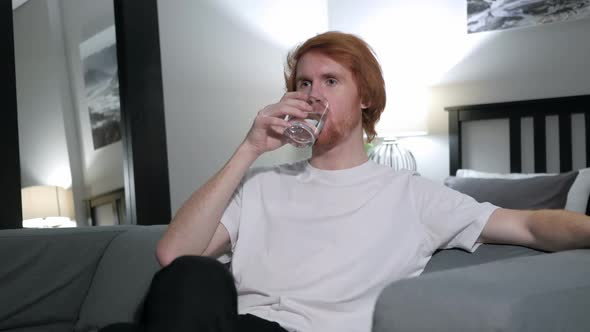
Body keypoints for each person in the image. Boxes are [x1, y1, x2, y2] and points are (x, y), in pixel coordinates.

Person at [101, 31, 590, 332]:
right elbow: (173, 255)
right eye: (303, 83)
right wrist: (249, 148)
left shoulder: (413, 195)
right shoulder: (263, 185)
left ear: (365, 99)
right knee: (193, 274)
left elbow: (529, 226)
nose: (313, 95)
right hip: (227, 324)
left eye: (330, 81)